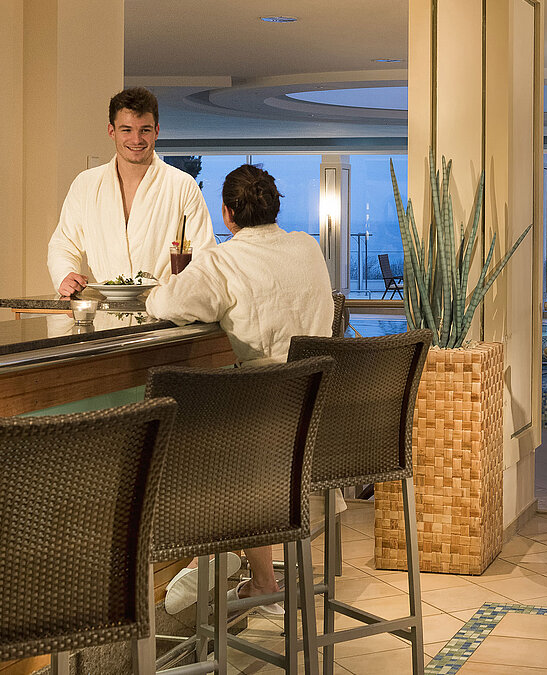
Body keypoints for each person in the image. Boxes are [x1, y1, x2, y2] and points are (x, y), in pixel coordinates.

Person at [146, 164, 334, 616]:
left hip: (267, 429)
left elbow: (163, 303)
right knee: (239, 442)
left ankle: (217, 563)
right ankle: (242, 571)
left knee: (201, 446)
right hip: (320, 419)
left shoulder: (222, 261)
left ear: (227, 215)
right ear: (276, 207)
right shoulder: (308, 247)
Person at [47, 87, 216, 298]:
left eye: (144, 130)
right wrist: (65, 275)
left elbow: (203, 253)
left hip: (164, 310)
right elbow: (64, 243)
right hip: (104, 311)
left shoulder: (182, 185)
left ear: (157, 131)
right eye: (126, 130)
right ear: (111, 131)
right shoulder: (86, 185)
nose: (136, 140)